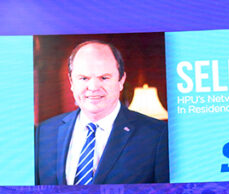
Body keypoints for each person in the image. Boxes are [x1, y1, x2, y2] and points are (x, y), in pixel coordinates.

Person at [35, 40, 169, 185]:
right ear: (71, 82)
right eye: (84, 78)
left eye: (104, 78)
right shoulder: (44, 132)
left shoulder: (156, 135)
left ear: (121, 80)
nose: (93, 87)